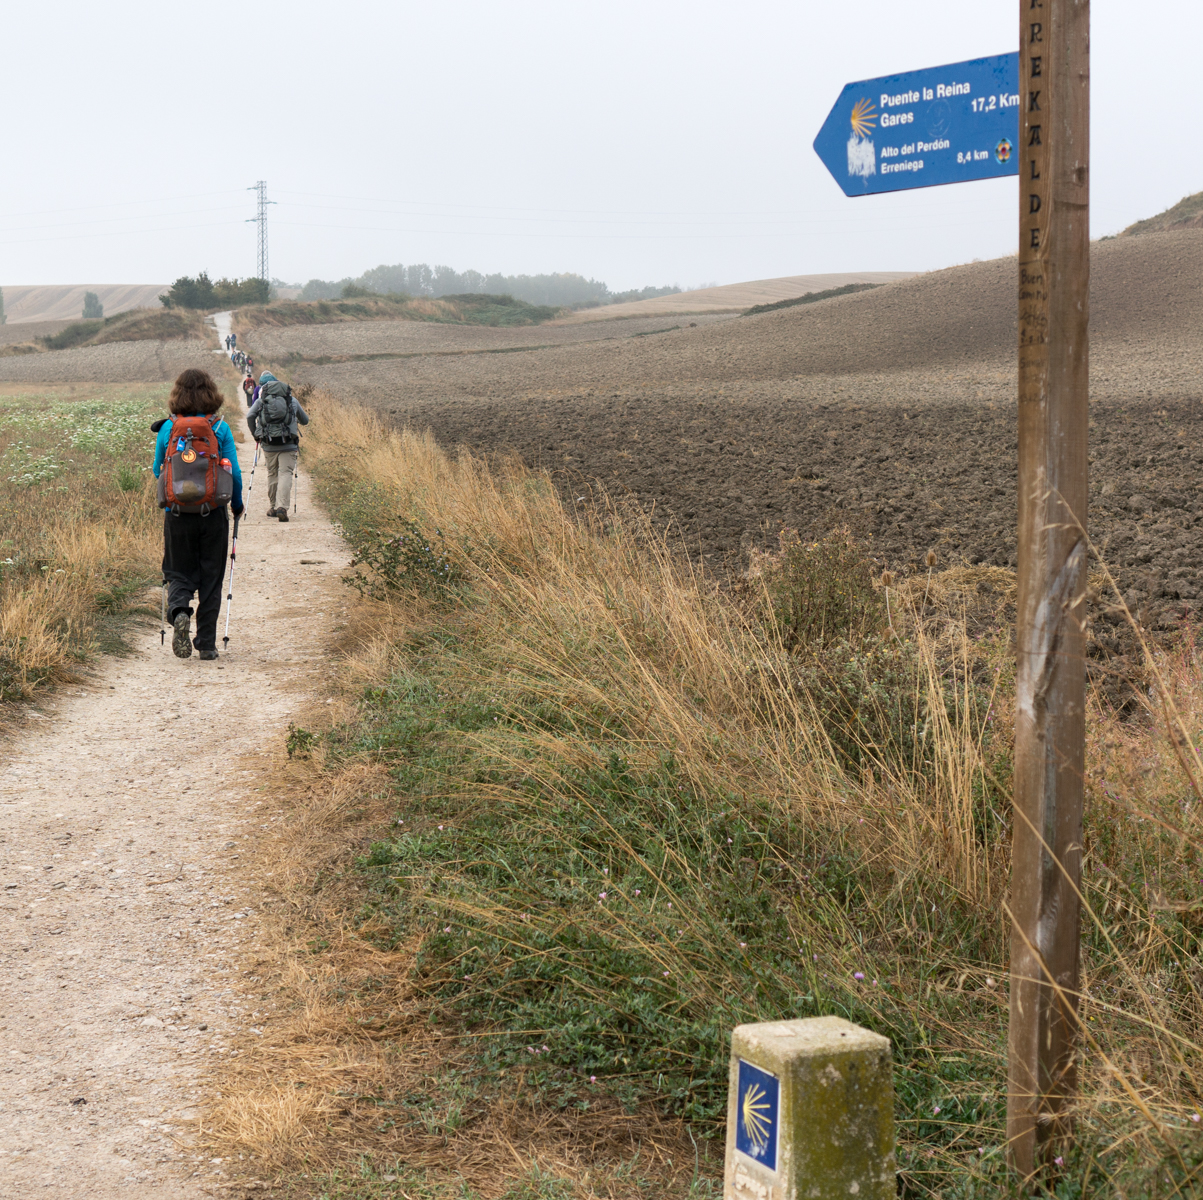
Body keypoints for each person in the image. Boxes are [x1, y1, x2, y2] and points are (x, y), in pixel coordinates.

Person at [152, 368, 244, 660]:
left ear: (177, 394)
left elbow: (158, 471)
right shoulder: (219, 428)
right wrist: (237, 504)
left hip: (177, 513)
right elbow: (234, 473)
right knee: (211, 578)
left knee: (178, 571)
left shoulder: (169, 428)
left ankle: (179, 611)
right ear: (211, 393)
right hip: (212, 513)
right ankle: (206, 644)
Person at [246, 371, 308, 521]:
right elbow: (305, 420)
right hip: (289, 443)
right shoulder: (291, 400)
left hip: (268, 443)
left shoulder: (261, 401)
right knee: (285, 473)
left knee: (272, 473)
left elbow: (249, 416)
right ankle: (282, 507)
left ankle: (273, 507)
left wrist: (256, 434)